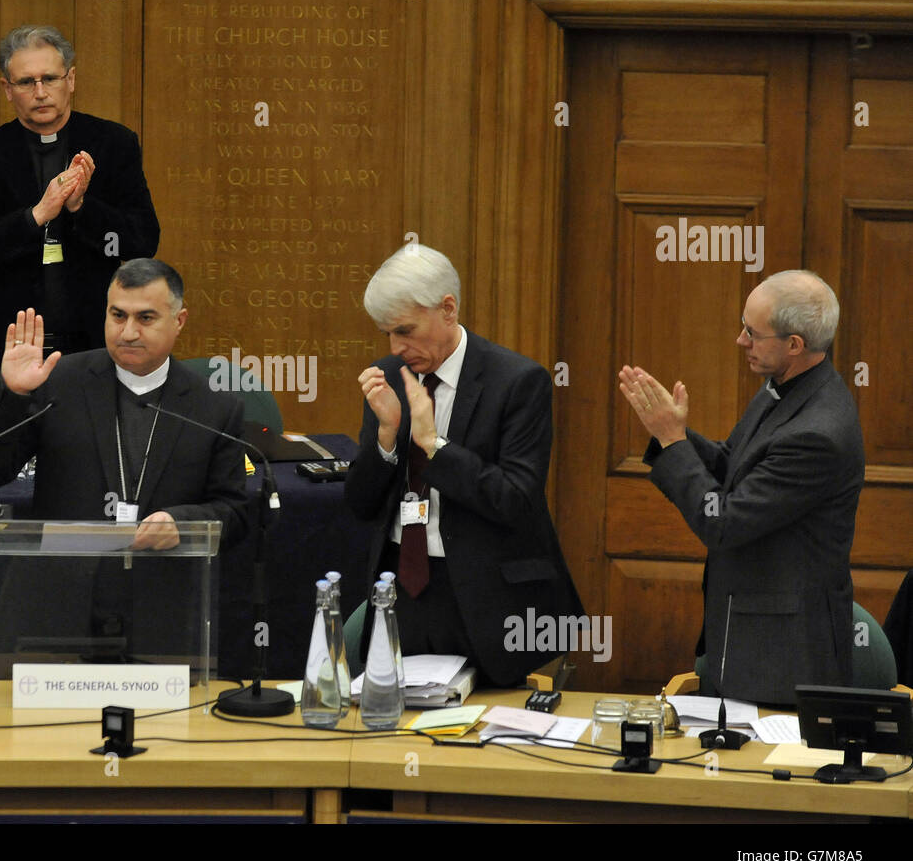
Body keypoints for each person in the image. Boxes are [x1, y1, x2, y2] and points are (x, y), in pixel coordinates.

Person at [0, 258, 247, 663]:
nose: (128, 332)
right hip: (59, 611)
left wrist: (182, 524)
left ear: (179, 320)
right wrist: (12, 394)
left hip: (161, 619)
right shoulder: (58, 381)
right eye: (118, 315)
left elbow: (235, 512)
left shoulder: (214, 408)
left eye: (145, 318)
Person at [619, 269, 862, 705]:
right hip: (745, 632)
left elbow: (724, 522)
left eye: (752, 332)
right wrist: (673, 433)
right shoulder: (784, 387)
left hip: (784, 657)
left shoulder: (818, 432)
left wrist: (673, 441)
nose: (740, 340)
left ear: (794, 345)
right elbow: (736, 466)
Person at [344, 244, 583, 686]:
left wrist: (433, 445)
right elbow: (360, 505)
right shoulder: (388, 376)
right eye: (386, 334)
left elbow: (514, 499)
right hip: (405, 591)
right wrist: (384, 438)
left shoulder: (517, 382)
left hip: (490, 598)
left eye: (405, 330)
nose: (396, 347)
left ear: (447, 309)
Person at [0, 25, 161, 412]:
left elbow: (143, 240)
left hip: (92, 343)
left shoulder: (113, 143)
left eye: (49, 78)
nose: (40, 92)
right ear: (7, 89)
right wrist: (35, 216)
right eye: (26, 82)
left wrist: (81, 207)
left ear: (71, 79)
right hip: (4, 344)